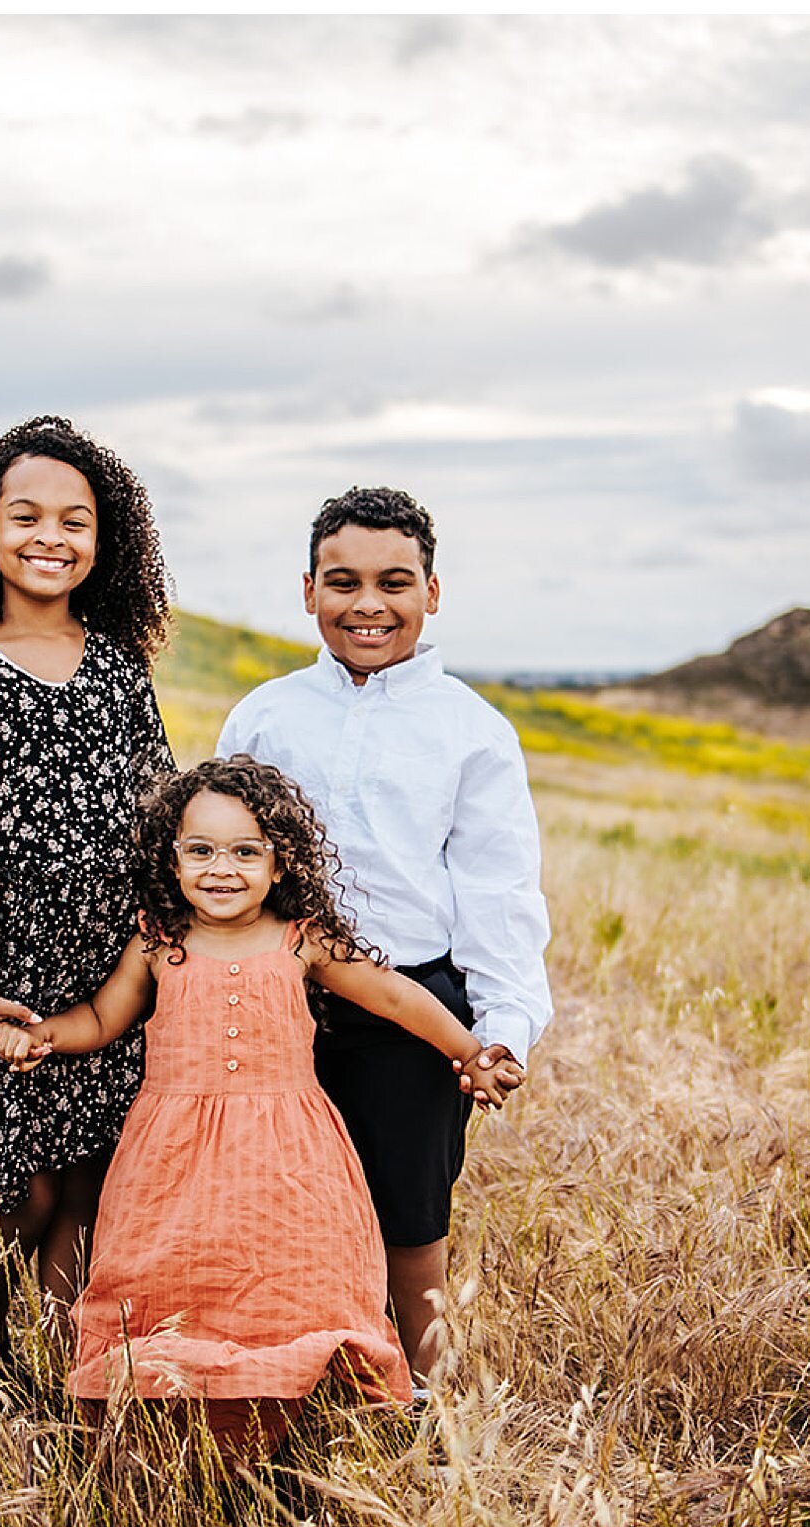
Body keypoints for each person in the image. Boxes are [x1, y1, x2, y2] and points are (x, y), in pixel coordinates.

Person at [0, 757, 511, 1460]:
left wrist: (469, 1053)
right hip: (171, 1155)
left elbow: (394, 996)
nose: (221, 869)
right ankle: (174, 1418)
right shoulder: (157, 941)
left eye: (245, 851)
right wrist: (46, 1036)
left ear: (279, 863)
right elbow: (102, 1017)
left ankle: (292, 1420)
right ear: (169, 860)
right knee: (170, 1274)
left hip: (291, 1154)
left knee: (293, 1275)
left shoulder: (301, 938)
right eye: (199, 850)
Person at [214, 485, 551, 1388]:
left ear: (432, 592)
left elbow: (499, 894)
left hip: (413, 1008)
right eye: (343, 582)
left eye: (395, 582)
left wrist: (503, 1031)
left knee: (410, 1227)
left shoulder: (472, 733)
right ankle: (285, 1388)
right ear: (309, 590)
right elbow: (217, 857)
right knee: (273, 1211)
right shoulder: (265, 716)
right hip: (278, 1001)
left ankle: (429, 1417)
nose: (369, 604)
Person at [0, 414, 176, 1370]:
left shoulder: (119, 672)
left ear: (108, 541)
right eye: (28, 517)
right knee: (24, 1189)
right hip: (4, 982)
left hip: (108, 979)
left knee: (89, 1185)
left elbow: (161, 816)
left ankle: (62, 1379)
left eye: (76, 522)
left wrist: (156, 948)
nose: (51, 538)